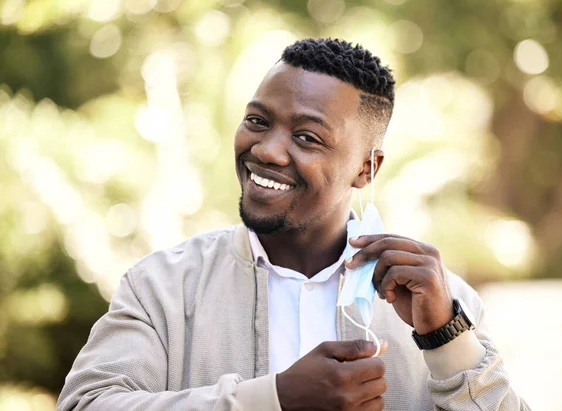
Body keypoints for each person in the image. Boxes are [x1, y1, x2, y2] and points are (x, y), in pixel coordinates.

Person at [57, 38, 529, 411]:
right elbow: (87, 404)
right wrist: (274, 399)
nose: (267, 150)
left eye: (307, 136)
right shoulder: (161, 286)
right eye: (258, 121)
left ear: (367, 168)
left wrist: (444, 337)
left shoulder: (444, 304)